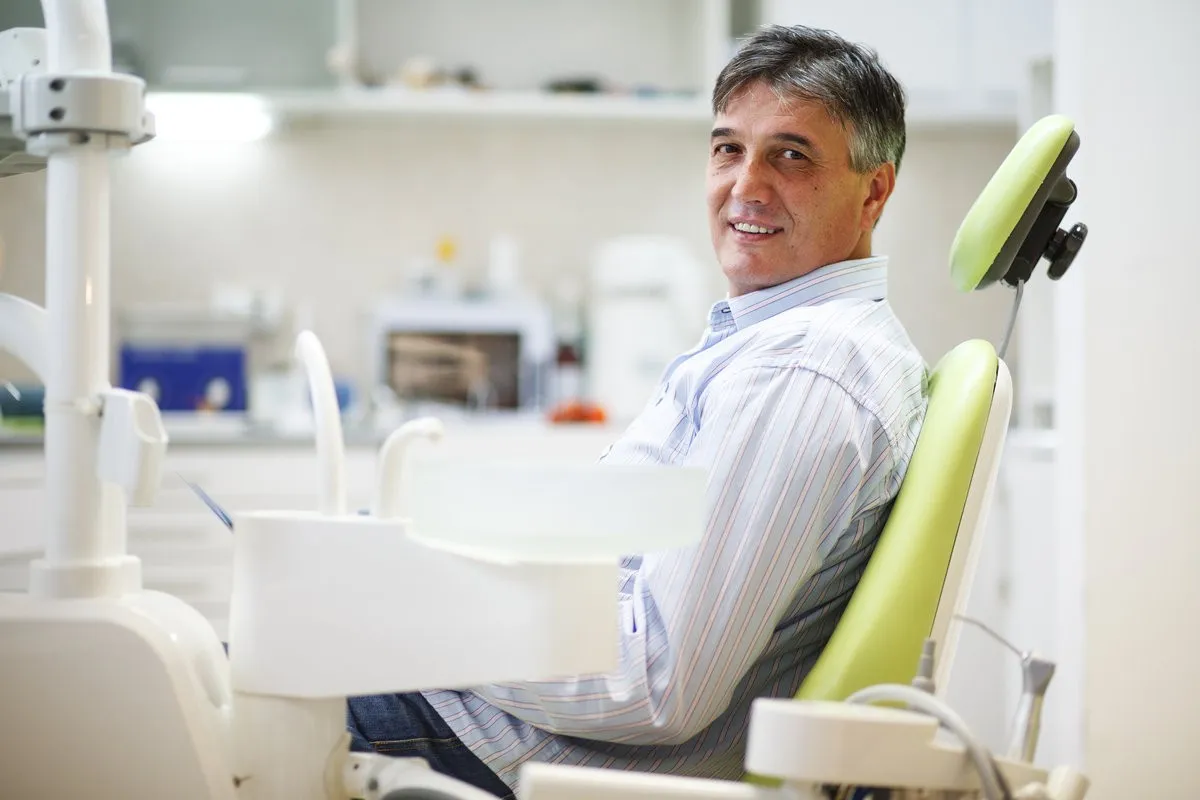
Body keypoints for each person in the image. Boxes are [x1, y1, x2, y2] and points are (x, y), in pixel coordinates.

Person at [347, 23, 929, 799]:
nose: (746, 186)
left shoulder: (804, 373)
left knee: (186, 686)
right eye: (728, 148)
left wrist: (427, 618)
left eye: (791, 156)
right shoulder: (771, 342)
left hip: (494, 751)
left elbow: (659, 683)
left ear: (874, 191)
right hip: (492, 719)